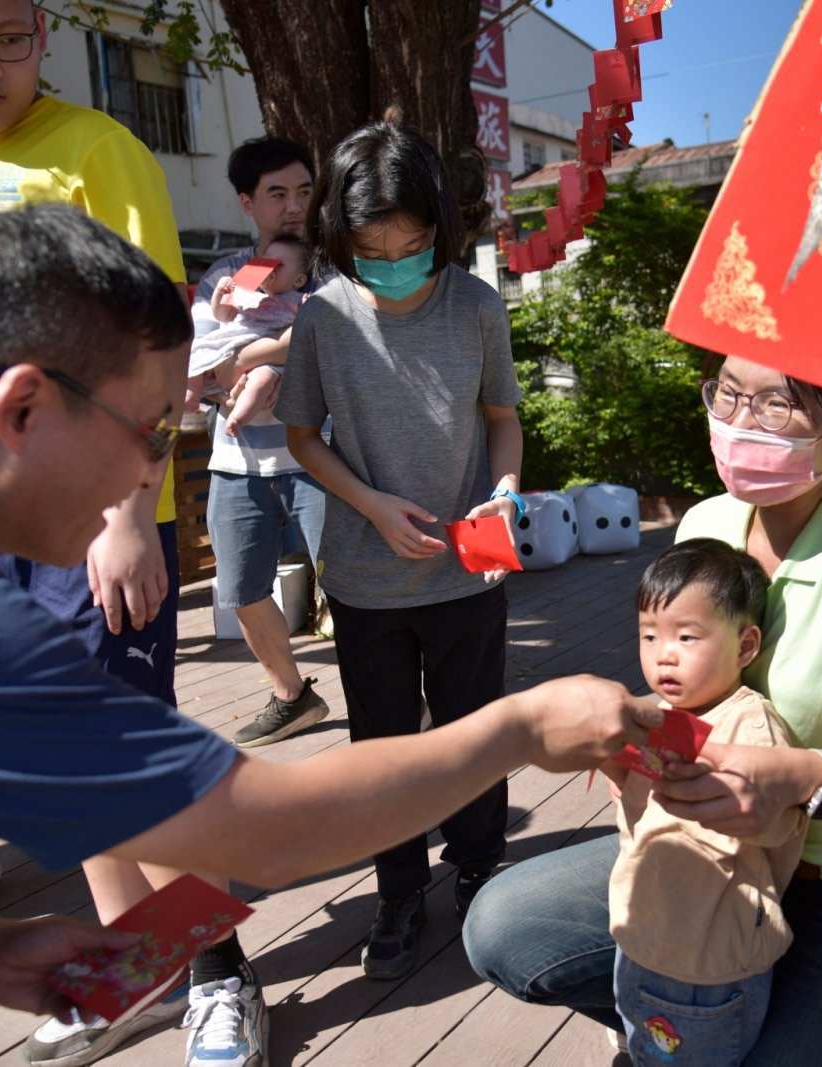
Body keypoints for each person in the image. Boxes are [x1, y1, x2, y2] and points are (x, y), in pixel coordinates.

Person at [0, 203, 661, 1067]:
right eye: (153, 433)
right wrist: (521, 726)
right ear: (22, 406)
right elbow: (266, 834)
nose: (149, 477)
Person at [0, 1, 249, 1061]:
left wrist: (131, 510)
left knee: (130, 760)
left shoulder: (98, 147)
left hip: (95, 516)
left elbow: (159, 342)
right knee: (57, 760)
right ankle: (138, 970)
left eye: (10, 38)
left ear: (43, 31)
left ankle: (222, 976)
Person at [464, 356, 822, 1066]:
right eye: (729, 393)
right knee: (504, 926)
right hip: (709, 851)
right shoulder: (709, 521)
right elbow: (694, 702)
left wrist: (804, 778)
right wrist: (625, 741)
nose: (740, 422)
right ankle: (681, 1018)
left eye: (777, 405)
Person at [278, 122, 525, 980]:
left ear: (439, 228)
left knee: (474, 733)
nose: (393, 265)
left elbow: (503, 418)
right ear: (339, 238)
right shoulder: (323, 315)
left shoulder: (476, 305)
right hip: (365, 578)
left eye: (412, 247)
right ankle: (399, 889)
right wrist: (371, 504)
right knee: (381, 747)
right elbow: (302, 436)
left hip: (467, 570)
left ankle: (481, 865)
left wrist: (504, 492)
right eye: (371, 251)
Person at [608, 539, 806, 1066]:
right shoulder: (654, 713)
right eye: (649, 635)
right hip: (644, 935)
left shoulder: (749, 726)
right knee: (647, 1043)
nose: (663, 654)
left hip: (708, 962)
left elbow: (778, 825)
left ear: (745, 647)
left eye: (687, 636)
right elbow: (637, 815)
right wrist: (610, 762)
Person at [190, 136, 332, 749]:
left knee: (348, 582)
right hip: (236, 462)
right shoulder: (225, 277)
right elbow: (208, 359)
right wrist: (270, 354)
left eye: (303, 191)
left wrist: (253, 357)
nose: (294, 206)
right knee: (240, 588)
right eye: (278, 194)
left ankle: (401, 695)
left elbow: (327, 344)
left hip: (320, 454)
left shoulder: (331, 269)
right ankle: (292, 696)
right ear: (247, 202)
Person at [187, 235, 309, 441]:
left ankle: (239, 417)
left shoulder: (297, 301)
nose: (269, 269)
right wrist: (220, 295)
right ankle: (191, 394)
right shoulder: (247, 292)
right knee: (199, 350)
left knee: (262, 379)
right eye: (265, 262)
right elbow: (222, 316)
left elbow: (310, 329)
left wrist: (308, 306)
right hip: (232, 342)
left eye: (278, 265)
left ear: (298, 280)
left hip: (267, 355)